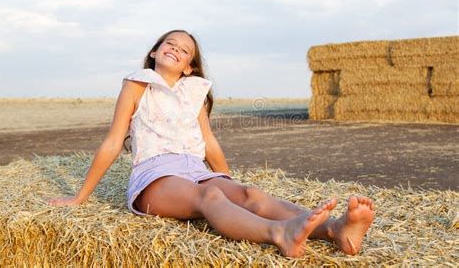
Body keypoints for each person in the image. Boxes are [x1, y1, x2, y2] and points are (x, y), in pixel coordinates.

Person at [47, 29, 375, 258]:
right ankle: (280, 234)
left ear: (190, 66)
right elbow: (113, 142)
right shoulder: (137, 85)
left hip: (195, 170)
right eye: (169, 43)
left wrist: (233, 183)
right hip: (155, 176)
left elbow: (209, 143)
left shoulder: (195, 94)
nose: (174, 48)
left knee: (250, 195)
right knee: (210, 196)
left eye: (184, 49)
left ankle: (336, 230)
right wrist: (80, 197)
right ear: (154, 51)